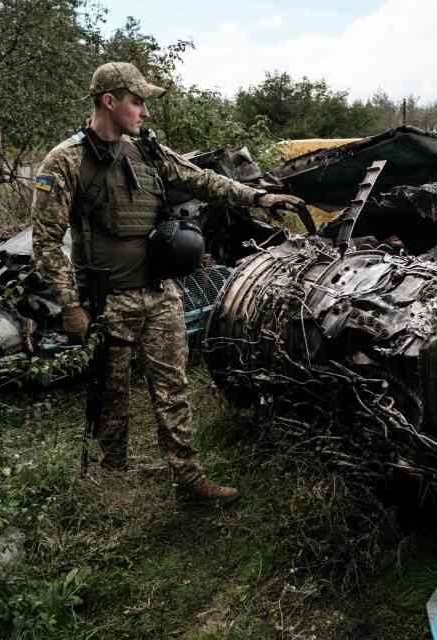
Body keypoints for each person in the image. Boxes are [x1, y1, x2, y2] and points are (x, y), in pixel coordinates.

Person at [31, 62, 303, 501]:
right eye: (137, 101)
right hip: (107, 301)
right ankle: (113, 480)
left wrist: (258, 196)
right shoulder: (65, 161)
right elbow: (44, 241)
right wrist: (70, 306)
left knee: (173, 388)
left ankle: (188, 478)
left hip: (160, 292)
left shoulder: (148, 152)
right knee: (112, 396)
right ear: (109, 101)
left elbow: (203, 180)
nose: (145, 111)